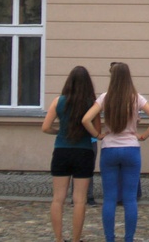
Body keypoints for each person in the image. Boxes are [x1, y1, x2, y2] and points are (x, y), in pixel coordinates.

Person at [82, 62, 149, 242]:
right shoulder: (136, 98)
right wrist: (143, 136)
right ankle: (128, 239)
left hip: (109, 148)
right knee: (130, 199)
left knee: (109, 198)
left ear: (112, 77)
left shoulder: (105, 97)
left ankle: (109, 238)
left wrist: (97, 135)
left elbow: (86, 119)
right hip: (131, 149)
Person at [42, 65, 101, 242]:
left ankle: (59, 239)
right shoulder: (92, 103)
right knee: (80, 200)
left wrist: (59, 132)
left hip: (61, 151)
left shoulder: (58, 101)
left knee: (58, 198)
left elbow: (45, 127)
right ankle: (76, 239)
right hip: (83, 152)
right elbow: (96, 131)